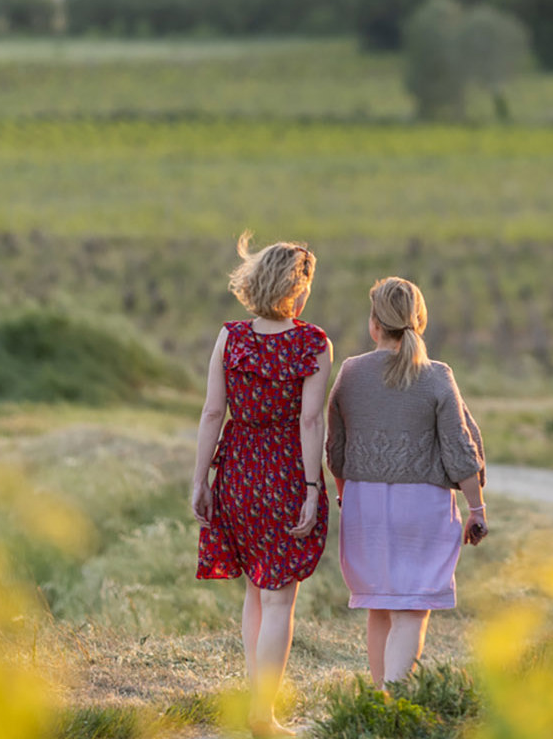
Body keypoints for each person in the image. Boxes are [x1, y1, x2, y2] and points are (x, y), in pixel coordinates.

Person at [191, 234, 334, 737]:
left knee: (255, 589)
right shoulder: (313, 342)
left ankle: (257, 703)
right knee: (277, 599)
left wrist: (199, 479)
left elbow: (213, 412)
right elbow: (311, 421)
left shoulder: (230, 337)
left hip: (235, 472)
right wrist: (314, 489)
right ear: (296, 287)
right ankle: (263, 714)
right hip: (285, 474)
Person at [325, 277, 488, 687]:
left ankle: (381, 702)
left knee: (379, 607)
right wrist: (476, 508)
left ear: (374, 323)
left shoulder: (351, 372)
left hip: (364, 505)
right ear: (420, 321)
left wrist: (346, 495)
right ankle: (395, 707)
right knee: (411, 612)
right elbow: (459, 447)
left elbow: (336, 448)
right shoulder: (435, 375)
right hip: (423, 507)